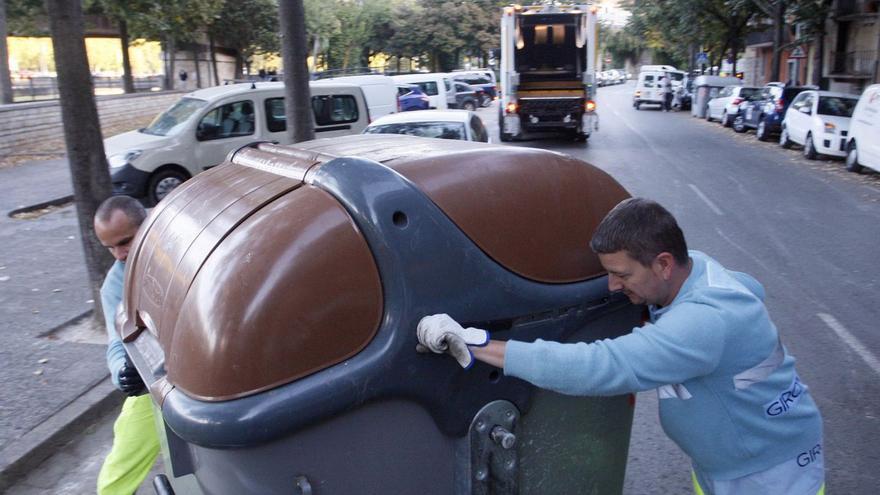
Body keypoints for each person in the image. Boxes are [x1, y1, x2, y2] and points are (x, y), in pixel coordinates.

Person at [416, 197, 824, 495]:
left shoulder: (704, 322)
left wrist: (479, 343)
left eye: (621, 274)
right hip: (728, 459)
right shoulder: (699, 269)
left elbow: (600, 367)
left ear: (663, 264)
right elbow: (753, 287)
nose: (612, 286)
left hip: (769, 472)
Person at [93, 196, 159, 495]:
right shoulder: (115, 285)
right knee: (114, 483)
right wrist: (123, 373)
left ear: (147, 222)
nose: (119, 254)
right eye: (111, 247)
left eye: (125, 241)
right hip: (156, 383)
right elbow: (116, 344)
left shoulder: (184, 244)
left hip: (207, 372)